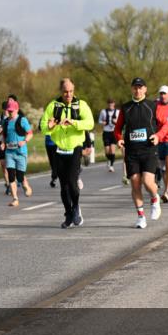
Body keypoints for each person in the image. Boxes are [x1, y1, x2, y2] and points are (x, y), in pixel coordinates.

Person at [114, 77, 168, 228]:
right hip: (132, 151)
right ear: (131, 89)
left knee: (147, 181)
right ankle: (140, 216)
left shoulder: (152, 106)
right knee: (135, 183)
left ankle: (155, 198)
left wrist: (158, 136)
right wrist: (119, 139)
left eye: (140, 87)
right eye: (135, 88)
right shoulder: (126, 108)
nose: (137, 90)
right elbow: (118, 128)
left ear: (145, 89)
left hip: (148, 149)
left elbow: (166, 124)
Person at [42, 78, 95, 227]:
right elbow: (43, 126)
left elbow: (90, 123)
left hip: (75, 148)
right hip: (58, 149)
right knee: (63, 185)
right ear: (61, 91)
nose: (68, 94)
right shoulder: (53, 106)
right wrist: (50, 126)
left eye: (71, 91)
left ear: (74, 90)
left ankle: (76, 207)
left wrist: (74, 122)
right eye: (65, 91)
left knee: (72, 183)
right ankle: (68, 214)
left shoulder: (81, 105)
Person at [2, 99, 33, 207]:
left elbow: (30, 133)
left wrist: (24, 141)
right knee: (11, 175)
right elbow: (4, 136)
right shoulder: (5, 122)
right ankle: (15, 198)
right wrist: (2, 143)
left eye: (12, 111)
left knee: (20, 177)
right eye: (8, 110)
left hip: (20, 152)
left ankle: (25, 185)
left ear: (17, 109)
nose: (10, 112)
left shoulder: (22, 120)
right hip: (9, 152)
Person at [98, 99, 120, 173]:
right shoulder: (103, 112)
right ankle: (108, 160)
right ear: (107, 104)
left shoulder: (117, 112)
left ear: (114, 104)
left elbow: (120, 122)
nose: (110, 105)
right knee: (107, 150)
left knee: (112, 150)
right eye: (109, 104)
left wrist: (116, 122)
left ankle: (111, 166)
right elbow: (99, 121)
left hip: (113, 132)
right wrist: (102, 122)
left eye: (112, 104)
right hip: (106, 132)